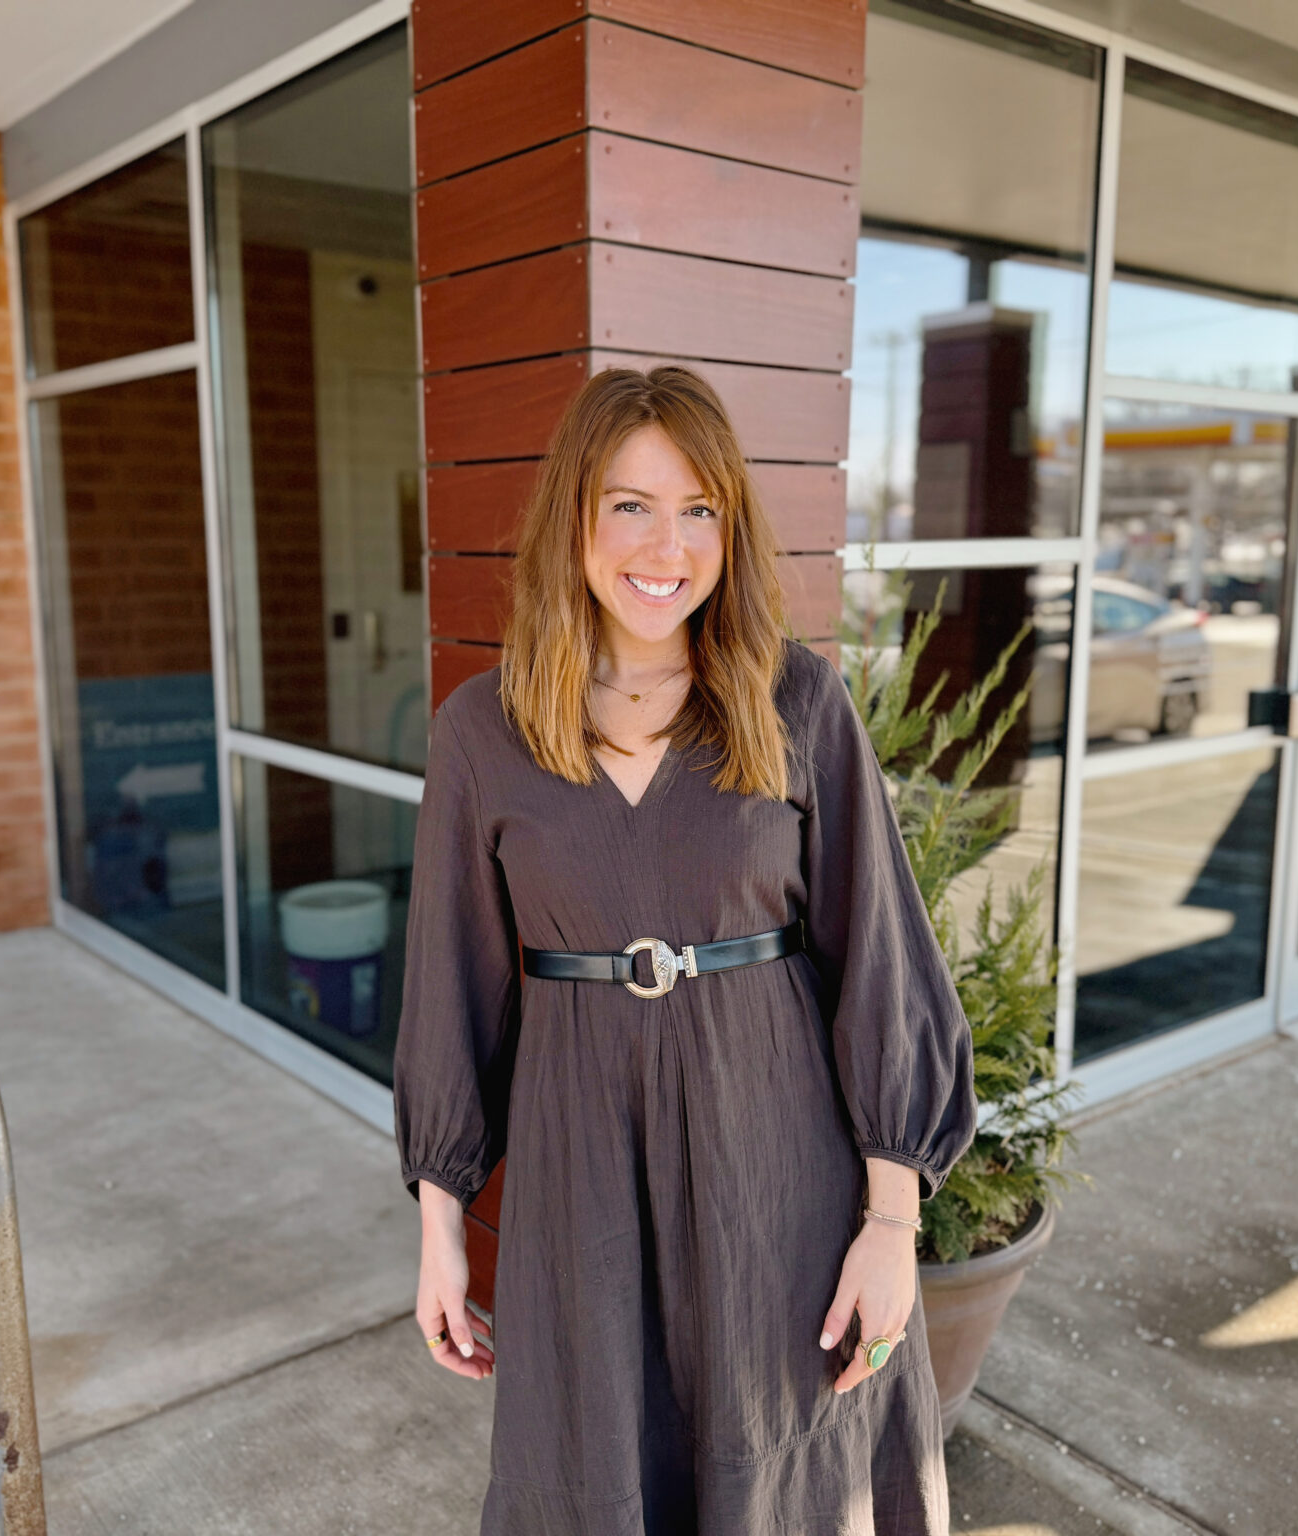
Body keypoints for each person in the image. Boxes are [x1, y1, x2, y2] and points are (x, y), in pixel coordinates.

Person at [393, 364, 977, 1534]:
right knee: (597, 1470)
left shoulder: (796, 703)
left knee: (782, 1466)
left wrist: (891, 1223)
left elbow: (878, 962)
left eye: (698, 509)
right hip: (580, 1186)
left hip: (779, 1178)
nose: (666, 545)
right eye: (630, 505)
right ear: (574, 517)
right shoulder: (482, 731)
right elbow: (449, 992)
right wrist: (440, 1231)